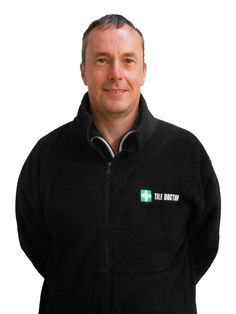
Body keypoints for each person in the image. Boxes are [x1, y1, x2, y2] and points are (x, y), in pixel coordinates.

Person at [16, 14, 221, 314]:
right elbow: (35, 243)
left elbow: (204, 245)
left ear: (143, 71)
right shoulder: (47, 156)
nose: (116, 74)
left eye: (128, 60)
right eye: (102, 60)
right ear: (84, 71)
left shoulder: (185, 153)